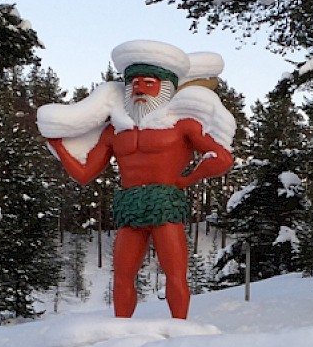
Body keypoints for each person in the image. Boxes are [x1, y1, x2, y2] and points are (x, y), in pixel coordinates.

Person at [36, 40, 234, 319]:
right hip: (130, 205)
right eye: (134, 84)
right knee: (122, 275)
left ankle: (180, 328)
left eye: (148, 83)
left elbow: (222, 158)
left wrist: (186, 180)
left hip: (164, 203)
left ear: (166, 87)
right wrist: (59, 147)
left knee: (175, 273)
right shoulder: (114, 131)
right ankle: (121, 328)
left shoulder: (182, 125)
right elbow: (84, 174)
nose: (139, 89)